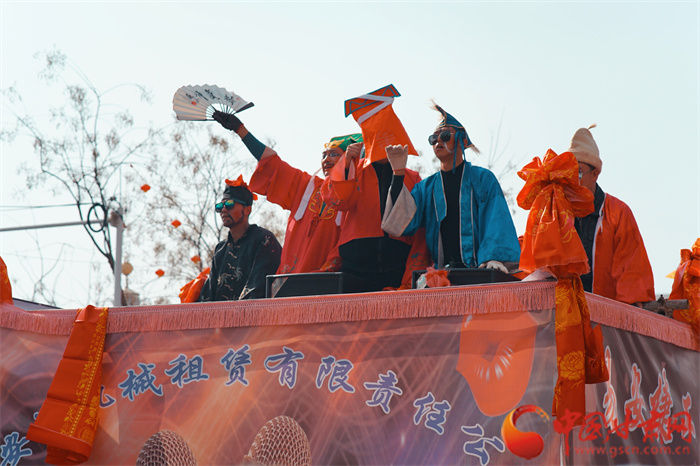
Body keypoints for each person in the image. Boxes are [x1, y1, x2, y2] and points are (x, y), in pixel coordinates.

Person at [212, 110, 357, 274]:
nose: (326, 160)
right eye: (324, 155)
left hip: (331, 281)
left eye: (334, 154)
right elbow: (271, 163)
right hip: (292, 281)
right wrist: (240, 130)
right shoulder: (307, 186)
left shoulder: (357, 194)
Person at [381, 103, 520, 272]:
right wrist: (398, 173)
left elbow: (496, 219)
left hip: (480, 270)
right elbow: (401, 223)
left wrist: (493, 257)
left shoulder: (483, 179)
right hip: (443, 274)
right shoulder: (426, 188)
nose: (438, 140)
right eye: (433, 138)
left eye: (445, 135)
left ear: (462, 141)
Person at [568, 125, 655, 305]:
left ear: (595, 174)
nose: (572, 180)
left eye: (578, 172)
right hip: (562, 314)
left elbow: (632, 273)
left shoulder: (618, 213)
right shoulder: (556, 213)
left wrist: (621, 317)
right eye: (567, 173)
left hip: (605, 316)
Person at [198, 176, 281, 301]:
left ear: (247, 209)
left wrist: (236, 311)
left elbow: (257, 291)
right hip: (221, 313)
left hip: (257, 312)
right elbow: (208, 295)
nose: (223, 210)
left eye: (229, 204)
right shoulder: (220, 249)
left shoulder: (264, 240)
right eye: (220, 206)